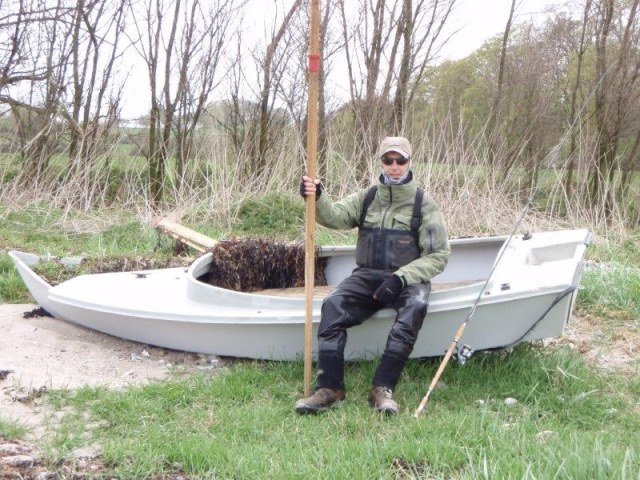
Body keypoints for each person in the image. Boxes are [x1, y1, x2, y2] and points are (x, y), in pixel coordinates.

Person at [296, 136, 450, 415]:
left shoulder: (424, 205)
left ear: (409, 163)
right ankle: (330, 388)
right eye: (388, 160)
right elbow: (334, 216)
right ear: (380, 162)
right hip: (366, 276)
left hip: (407, 281)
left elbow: (438, 256)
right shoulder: (366, 198)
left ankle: (383, 389)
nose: (394, 166)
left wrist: (401, 278)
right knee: (332, 305)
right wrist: (317, 196)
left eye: (400, 160)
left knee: (415, 306)